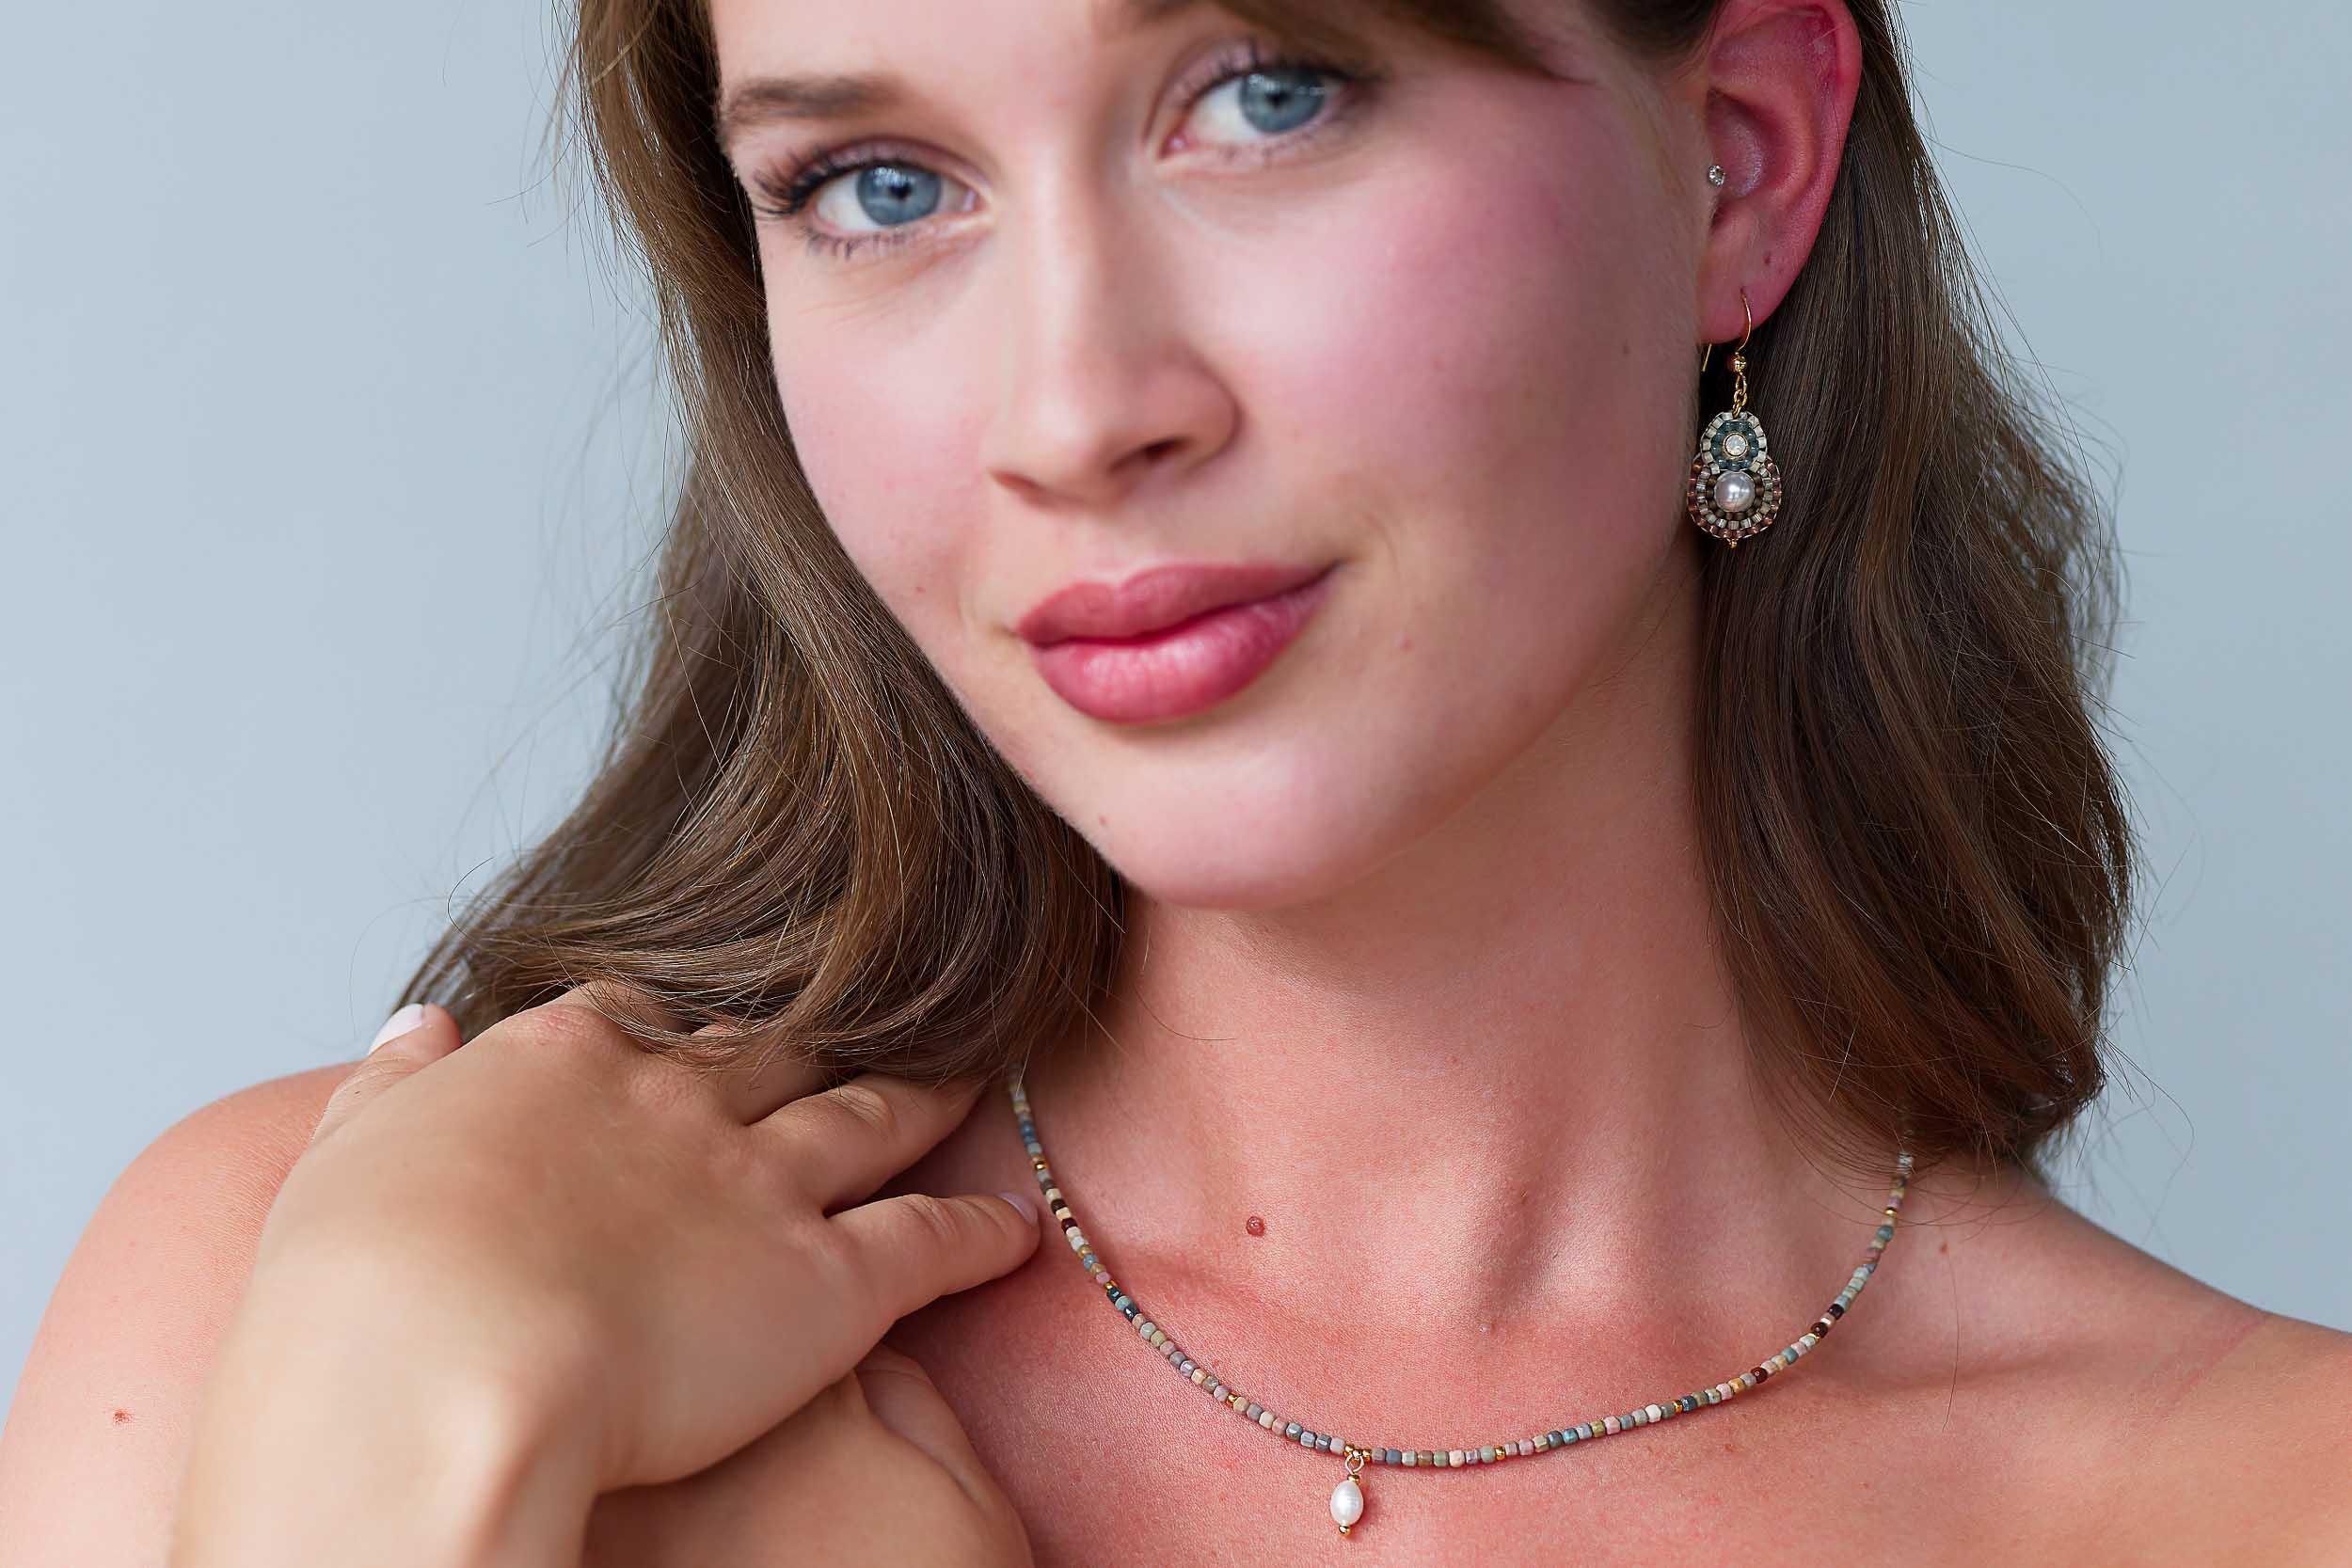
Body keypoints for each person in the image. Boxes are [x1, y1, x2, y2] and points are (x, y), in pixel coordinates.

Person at [3, 0, 2346, 1561]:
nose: (1072, 410)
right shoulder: (326, 1295)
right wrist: (379, 1486)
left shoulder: (2260, 1506)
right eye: (879, 186)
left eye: (1265, 95)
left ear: (1734, 164)